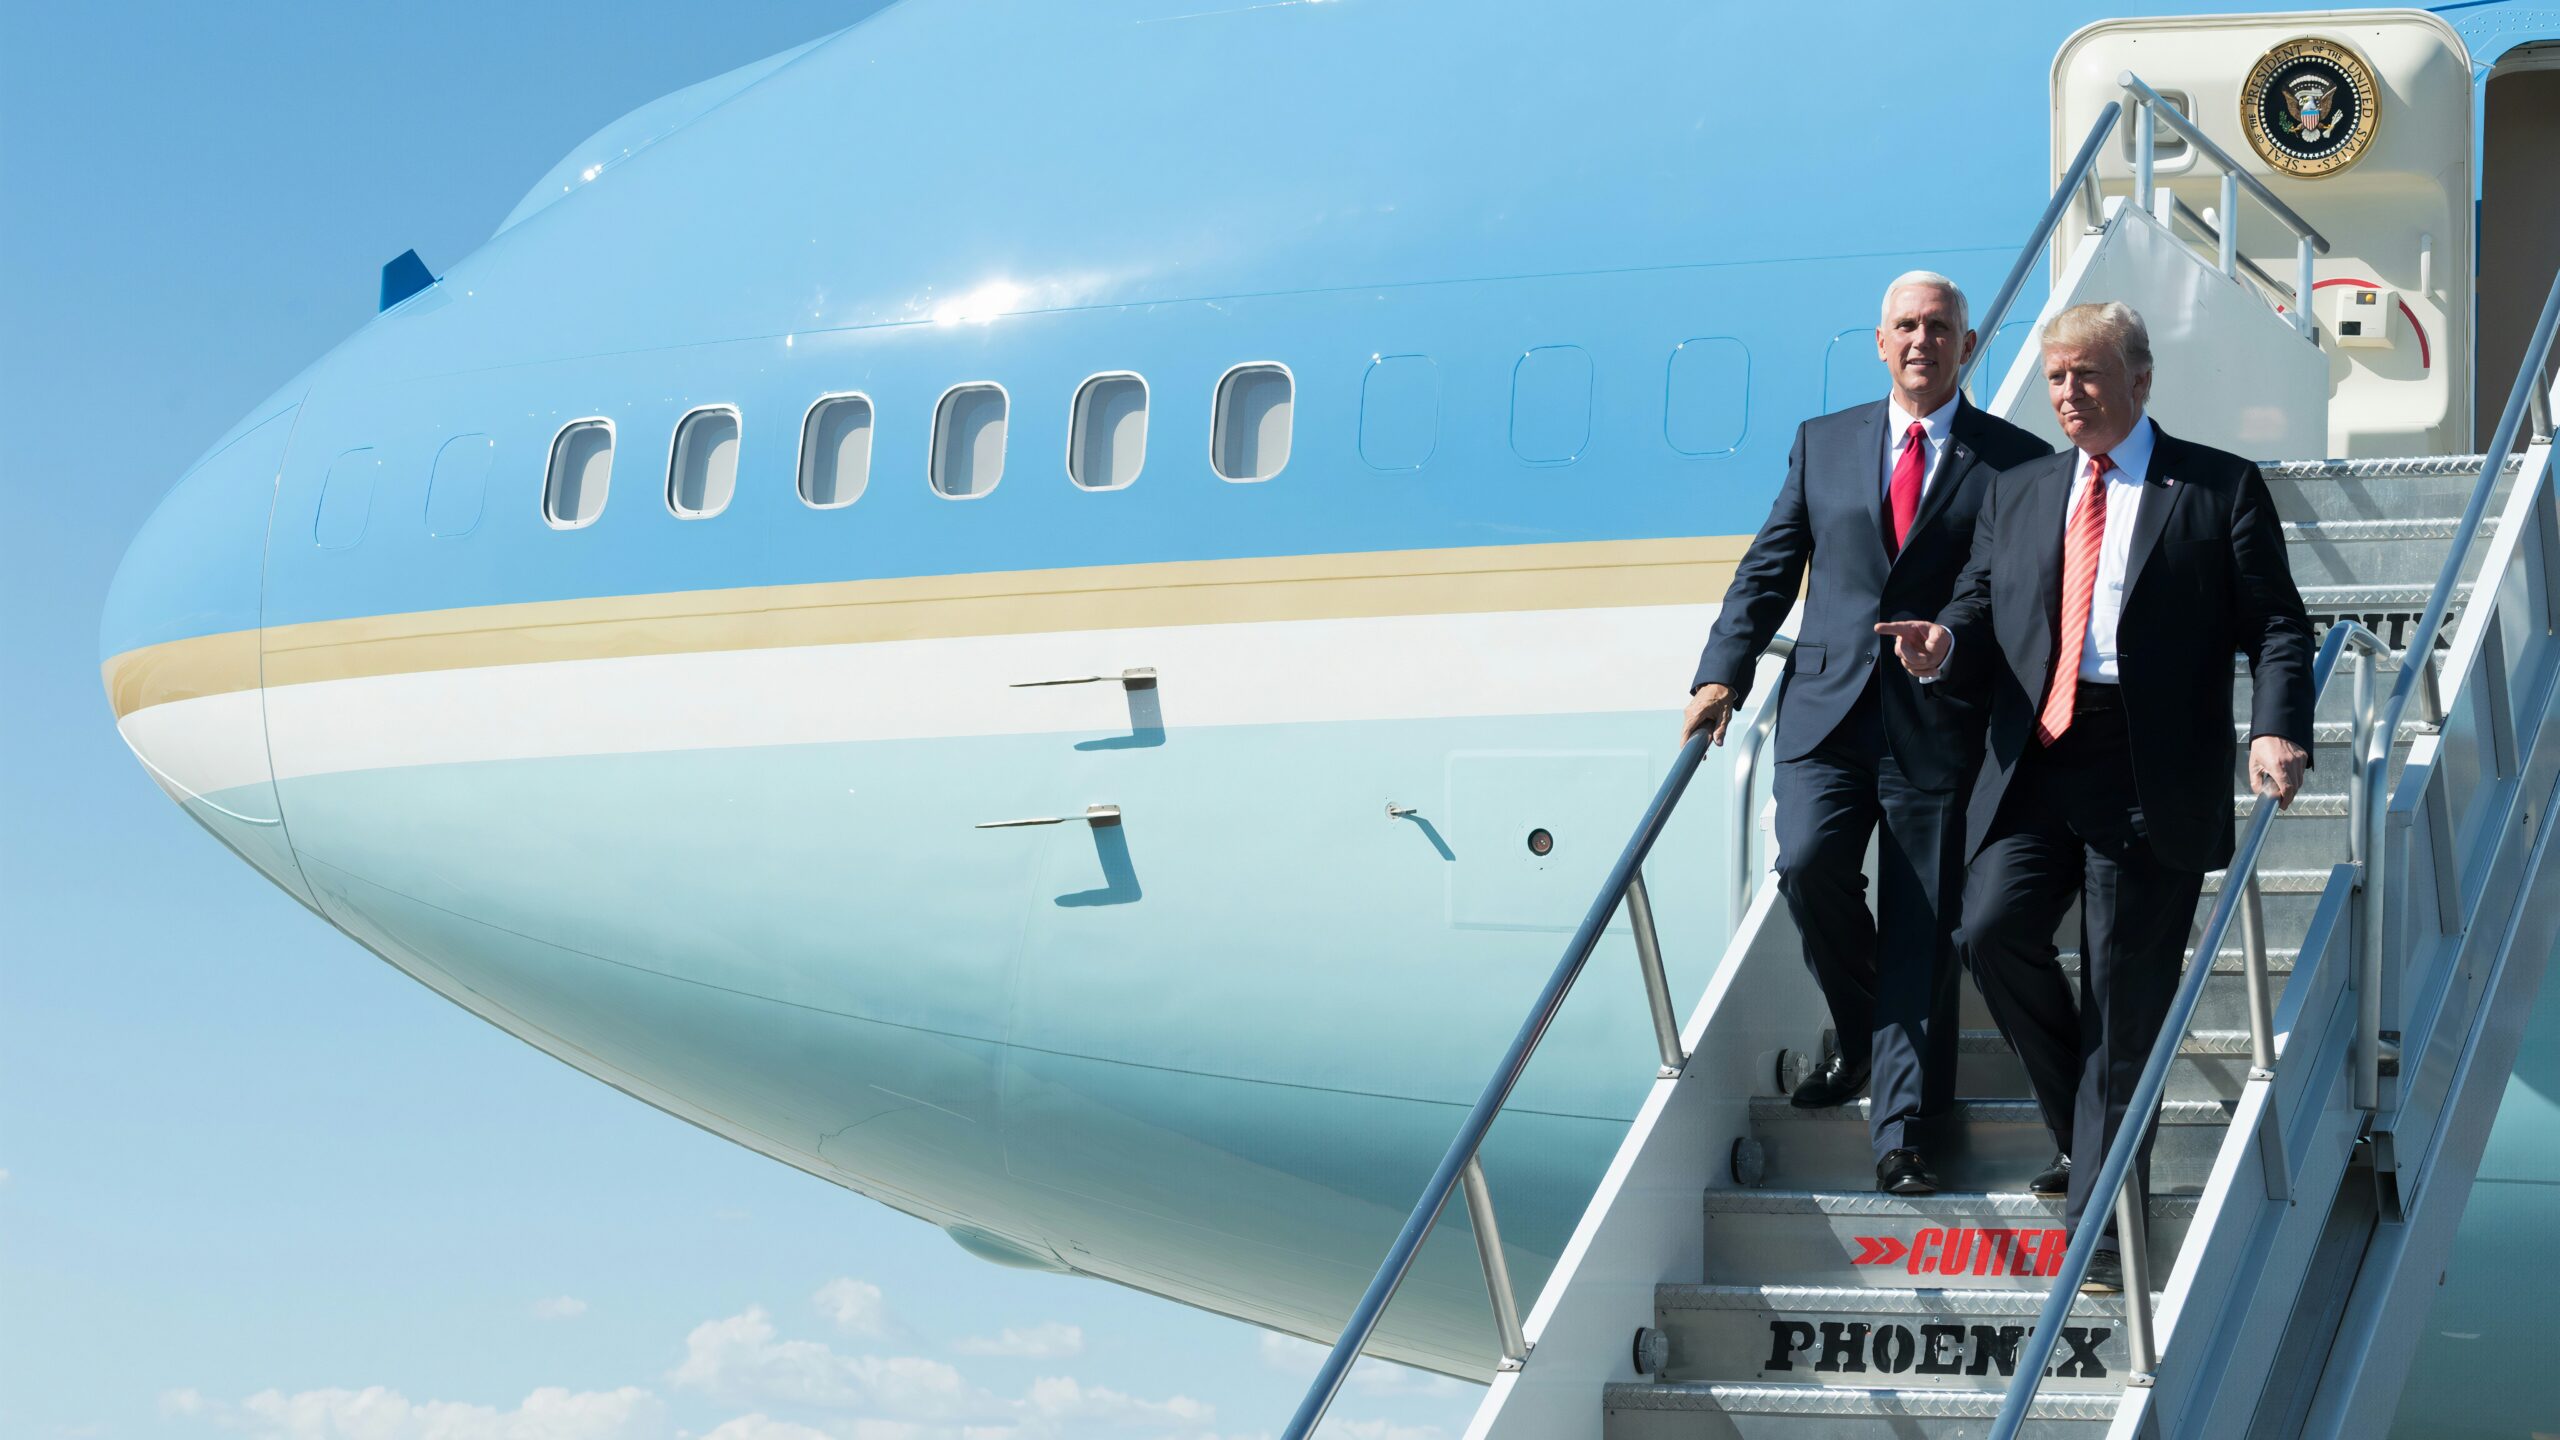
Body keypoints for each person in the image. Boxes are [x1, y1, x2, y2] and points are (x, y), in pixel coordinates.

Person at [1876, 300, 2314, 1289]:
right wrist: (1945, 641)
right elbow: (1983, 601)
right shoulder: (2022, 488)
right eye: (2056, 377)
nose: (2067, 394)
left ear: (2139, 381)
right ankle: (2087, 1127)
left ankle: (2102, 1231)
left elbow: (2278, 626)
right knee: (1987, 932)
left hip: (2146, 767)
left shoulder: (2215, 487)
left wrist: (2278, 727)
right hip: (2035, 757)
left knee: (2123, 1002)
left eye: (2085, 376)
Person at [1683, 272, 2053, 1195]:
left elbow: (2010, 589)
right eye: (1905, 327)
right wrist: (1719, 670)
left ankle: (1902, 1136)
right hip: (1828, 710)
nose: (1922, 340)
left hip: (1939, 722)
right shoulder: (1823, 444)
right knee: (1807, 865)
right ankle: (1858, 1036)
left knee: (1922, 931)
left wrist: (1951, 644)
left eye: (1941, 328)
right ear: (1879, 344)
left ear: (1969, 348)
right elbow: (1770, 564)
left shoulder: (2017, 460)